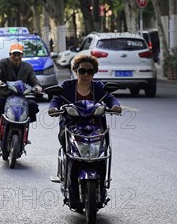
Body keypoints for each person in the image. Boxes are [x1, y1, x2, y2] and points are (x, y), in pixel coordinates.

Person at [48, 55, 122, 210]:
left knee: (101, 156)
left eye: (90, 71)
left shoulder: (99, 87)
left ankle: (101, 191)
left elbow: (111, 99)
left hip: (95, 129)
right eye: (82, 71)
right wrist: (53, 108)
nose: (86, 75)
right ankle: (71, 190)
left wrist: (115, 106)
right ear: (76, 71)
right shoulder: (67, 86)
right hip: (71, 128)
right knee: (72, 156)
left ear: (94, 73)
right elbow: (56, 99)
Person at [0, 43, 41, 125]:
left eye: (19, 55)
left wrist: (37, 86)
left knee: (33, 105)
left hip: (20, 99)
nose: (16, 57)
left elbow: (34, 80)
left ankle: (25, 127)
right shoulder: (3, 63)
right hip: (4, 97)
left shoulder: (27, 67)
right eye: (14, 54)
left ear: (22, 55)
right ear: (10, 54)